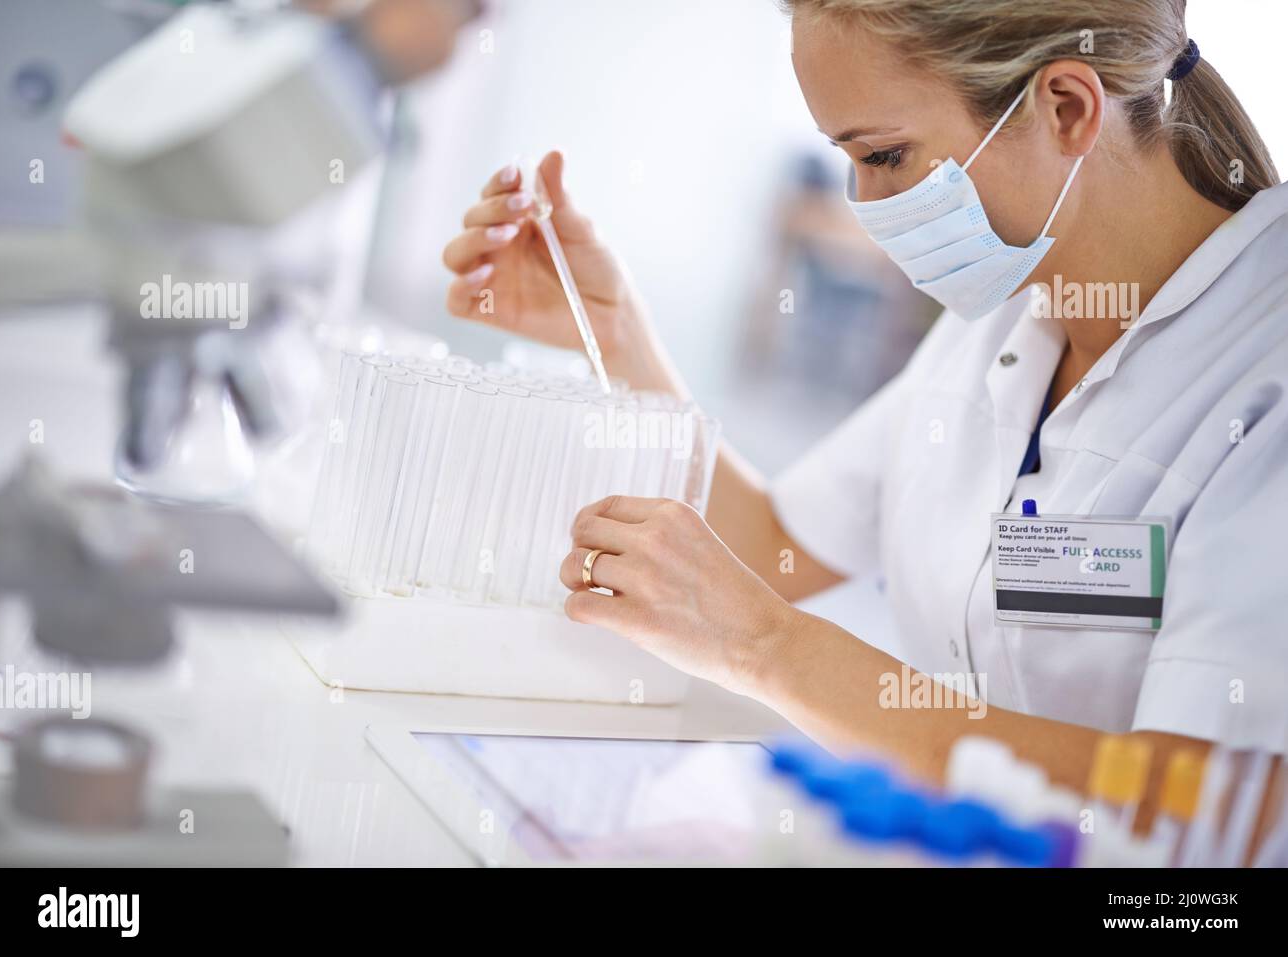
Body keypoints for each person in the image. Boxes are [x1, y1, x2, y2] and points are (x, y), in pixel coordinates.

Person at [440, 0, 1288, 830]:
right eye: (847, 158)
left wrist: (770, 647)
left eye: (885, 154)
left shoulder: (1263, 372)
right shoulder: (1007, 309)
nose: (866, 202)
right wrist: (613, 331)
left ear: (1066, 108)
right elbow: (774, 545)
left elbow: (1219, 807)